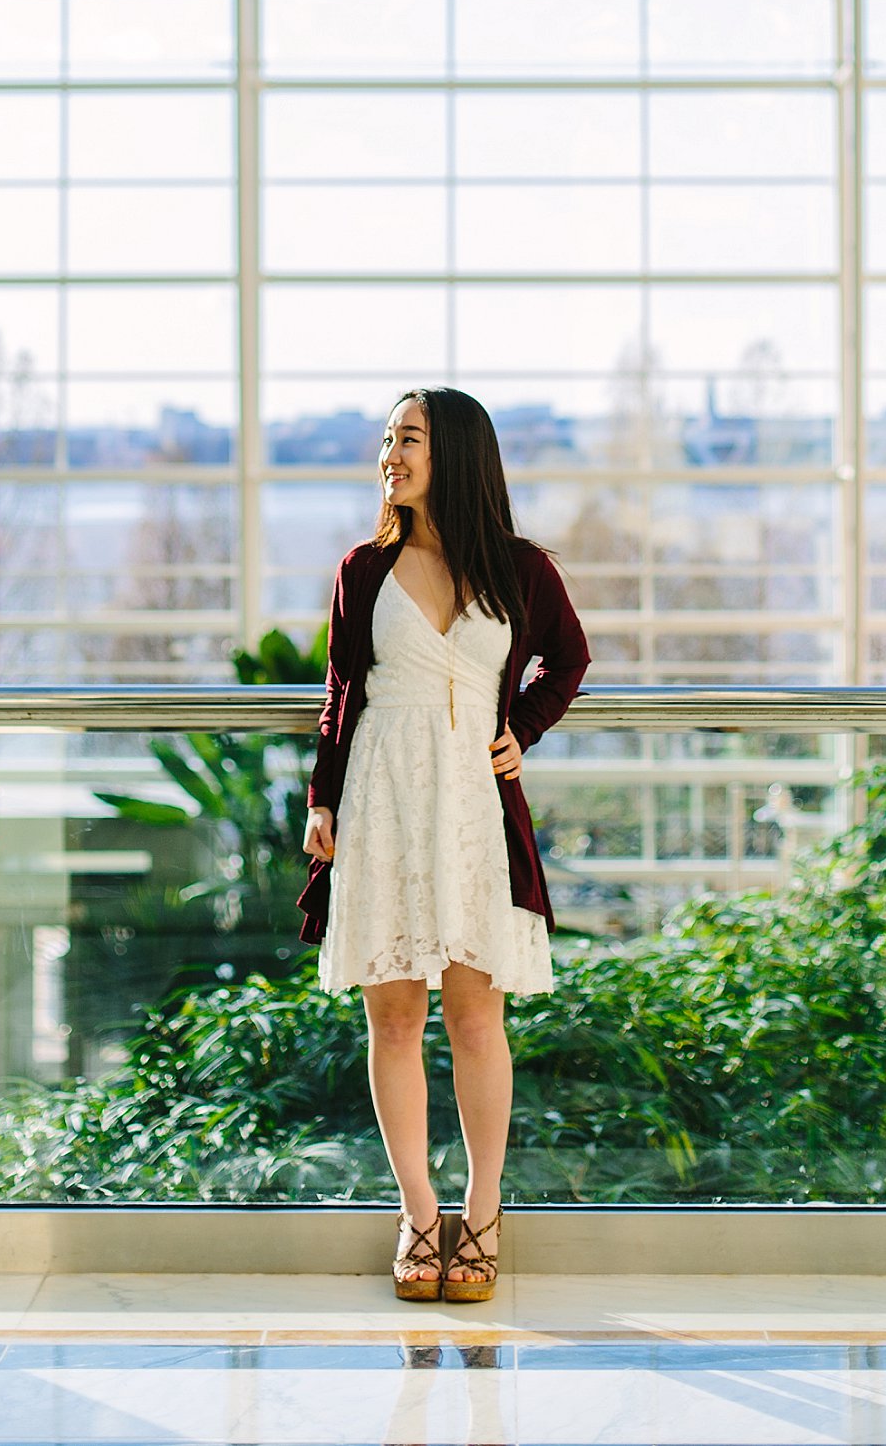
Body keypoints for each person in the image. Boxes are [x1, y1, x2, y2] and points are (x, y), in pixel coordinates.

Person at [297, 386, 587, 1307]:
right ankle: (419, 1215)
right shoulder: (362, 569)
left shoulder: (519, 568)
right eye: (386, 439)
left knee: (474, 1016)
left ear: (454, 452)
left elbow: (568, 660)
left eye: (408, 438)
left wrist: (524, 731)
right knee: (393, 1018)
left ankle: (485, 1213)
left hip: (472, 802)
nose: (390, 454)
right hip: (383, 795)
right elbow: (343, 693)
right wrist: (322, 801)